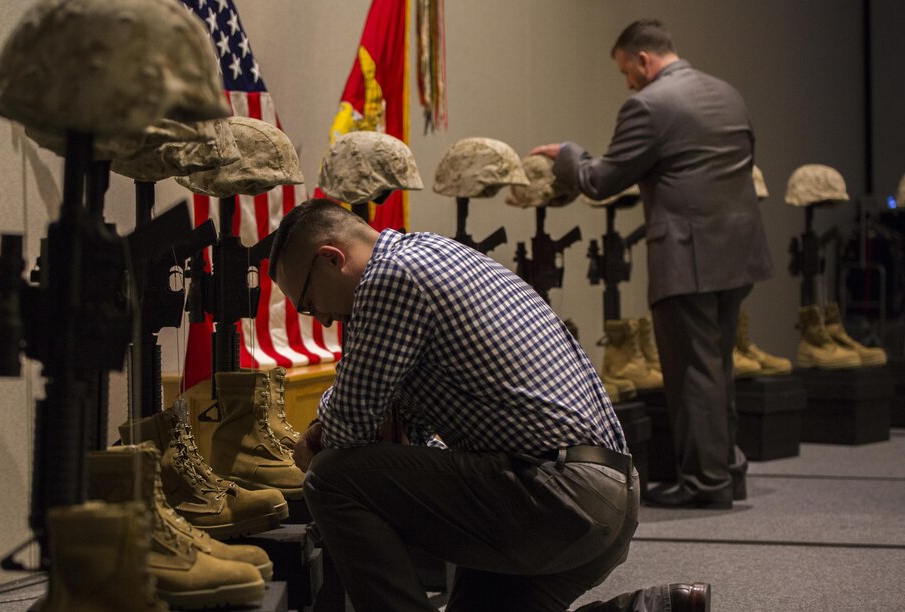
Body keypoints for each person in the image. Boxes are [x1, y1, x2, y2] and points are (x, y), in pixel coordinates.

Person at [268, 198, 710, 611]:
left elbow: (347, 427)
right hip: (602, 495)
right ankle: (656, 606)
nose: (321, 319)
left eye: (307, 303)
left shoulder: (390, 278)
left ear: (331, 258)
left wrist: (313, 436)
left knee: (332, 477)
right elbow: (416, 437)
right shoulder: (434, 253)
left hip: (559, 498)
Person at [532, 19, 773, 510]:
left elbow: (601, 180)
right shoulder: (726, 93)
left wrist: (569, 155)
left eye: (627, 71)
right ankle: (727, 470)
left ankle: (705, 484)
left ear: (643, 59)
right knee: (718, 367)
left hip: (688, 258)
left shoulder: (650, 105)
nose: (628, 83)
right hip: (739, 251)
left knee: (692, 374)